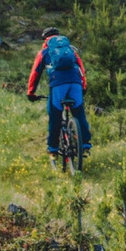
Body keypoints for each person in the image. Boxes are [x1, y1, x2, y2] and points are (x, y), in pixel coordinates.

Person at [27, 27, 92, 162]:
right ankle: (85, 145)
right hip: (75, 84)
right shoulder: (71, 51)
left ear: (45, 39)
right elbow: (81, 69)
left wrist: (31, 92)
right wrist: (83, 87)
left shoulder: (45, 52)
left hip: (58, 85)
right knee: (79, 114)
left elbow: (35, 73)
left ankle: (53, 150)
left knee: (55, 115)